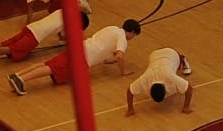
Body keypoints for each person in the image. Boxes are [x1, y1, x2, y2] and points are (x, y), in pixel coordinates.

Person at [10, 18, 141, 96]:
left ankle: (17, 75)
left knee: (48, 63)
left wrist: (107, 60)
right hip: (83, 57)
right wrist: (123, 72)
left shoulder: (112, 28)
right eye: (134, 36)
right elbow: (119, 56)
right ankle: (21, 80)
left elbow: (105, 49)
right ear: (132, 32)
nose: (132, 38)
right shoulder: (123, 38)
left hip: (80, 47)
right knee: (52, 68)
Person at [0, 5, 86, 72]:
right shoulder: (71, 22)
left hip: (31, 27)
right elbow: (65, 36)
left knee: (5, 42)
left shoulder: (63, 11)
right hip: (36, 36)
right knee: (10, 49)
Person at [126, 46, 194, 115]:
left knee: (178, 67)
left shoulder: (169, 77)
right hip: (155, 54)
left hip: (171, 54)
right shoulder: (146, 78)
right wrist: (130, 109)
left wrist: (186, 107)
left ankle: (183, 59)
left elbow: (189, 88)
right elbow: (130, 91)